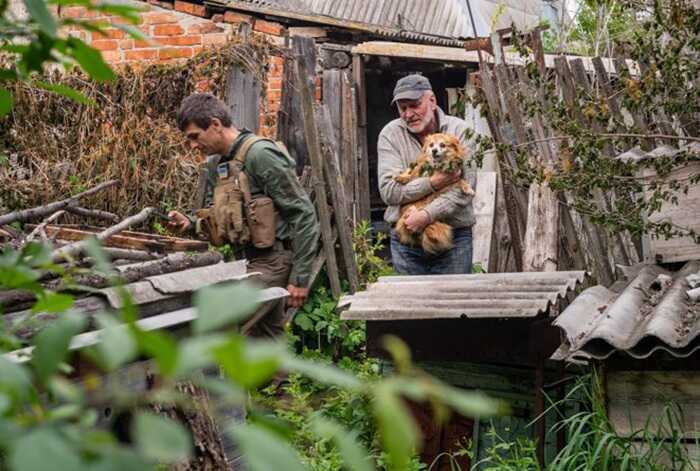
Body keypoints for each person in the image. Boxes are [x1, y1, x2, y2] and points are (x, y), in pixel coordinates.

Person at [168, 93, 319, 337]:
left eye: (195, 137)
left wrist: (300, 278)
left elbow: (303, 214)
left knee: (223, 321)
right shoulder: (220, 163)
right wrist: (191, 224)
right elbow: (228, 216)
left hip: (272, 261)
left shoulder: (260, 154)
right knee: (263, 339)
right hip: (245, 262)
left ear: (216, 124)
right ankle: (273, 376)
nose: (193, 146)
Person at [377, 74, 477, 276]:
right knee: (412, 305)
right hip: (407, 238)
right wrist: (433, 183)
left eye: (414, 105)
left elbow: (464, 192)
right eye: (402, 108)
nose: (408, 114)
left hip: (454, 239)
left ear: (432, 101)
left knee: (455, 303)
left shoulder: (461, 132)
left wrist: (426, 216)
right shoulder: (391, 135)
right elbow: (390, 192)